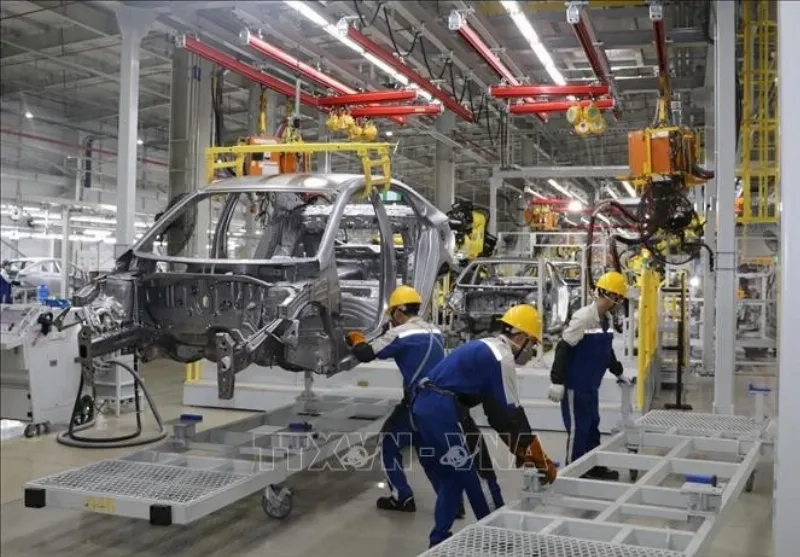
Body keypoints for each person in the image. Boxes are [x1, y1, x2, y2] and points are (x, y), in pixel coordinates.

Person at [411, 304, 558, 547]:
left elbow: (496, 415)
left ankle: (439, 540)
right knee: (482, 474)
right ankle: (499, 542)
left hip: (428, 407)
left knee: (452, 476)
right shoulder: (502, 357)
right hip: (444, 410)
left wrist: (520, 450)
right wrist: (539, 458)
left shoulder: (487, 347)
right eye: (532, 344)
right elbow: (512, 414)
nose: (531, 351)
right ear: (520, 336)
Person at [346, 285, 453, 514]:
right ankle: (453, 501)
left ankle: (402, 496)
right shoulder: (435, 331)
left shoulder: (400, 333)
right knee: (427, 451)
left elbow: (365, 354)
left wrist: (355, 339)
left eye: (392, 315)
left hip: (417, 404)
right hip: (440, 404)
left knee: (388, 443)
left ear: (397, 312)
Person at [548, 270, 631, 480]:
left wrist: (619, 371)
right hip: (576, 385)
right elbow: (564, 347)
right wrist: (557, 381)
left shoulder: (607, 320)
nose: (619, 303)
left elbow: (606, 351)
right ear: (610, 296)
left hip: (591, 385)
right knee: (578, 429)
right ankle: (572, 473)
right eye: (618, 298)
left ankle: (593, 466)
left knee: (593, 424)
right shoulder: (584, 317)